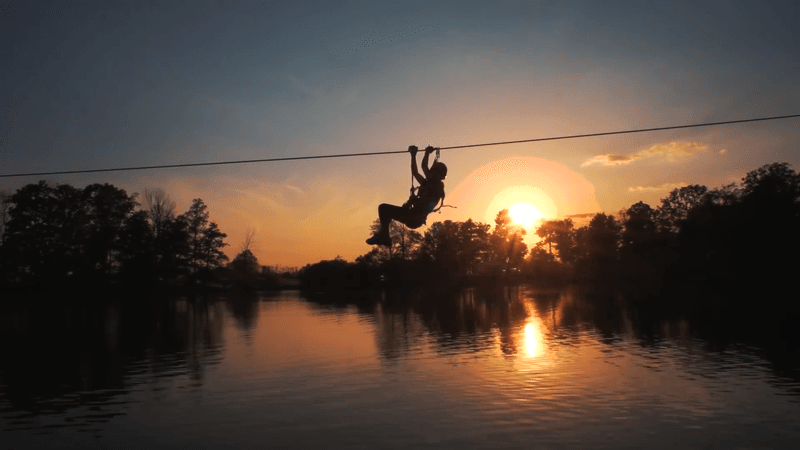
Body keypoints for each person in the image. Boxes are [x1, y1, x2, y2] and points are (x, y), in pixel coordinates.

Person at [366, 145, 447, 247]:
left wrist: (413, 201)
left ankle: (384, 237)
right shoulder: (428, 183)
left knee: (384, 209)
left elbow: (423, 168)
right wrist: (416, 155)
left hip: (414, 218)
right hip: (412, 216)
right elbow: (417, 171)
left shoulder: (436, 188)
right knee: (384, 209)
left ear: (437, 174)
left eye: (431, 171)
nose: (428, 172)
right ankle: (384, 236)